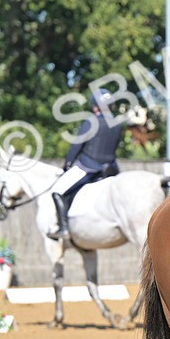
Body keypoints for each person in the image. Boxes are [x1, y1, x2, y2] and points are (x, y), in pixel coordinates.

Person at [49, 88, 122, 241]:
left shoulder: (91, 122)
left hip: (88, 167)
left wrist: (68, 164)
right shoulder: (117, 124)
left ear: (95, 106)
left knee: (57, 190)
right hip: (110, 169)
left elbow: (77, 145)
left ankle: (63, 228)